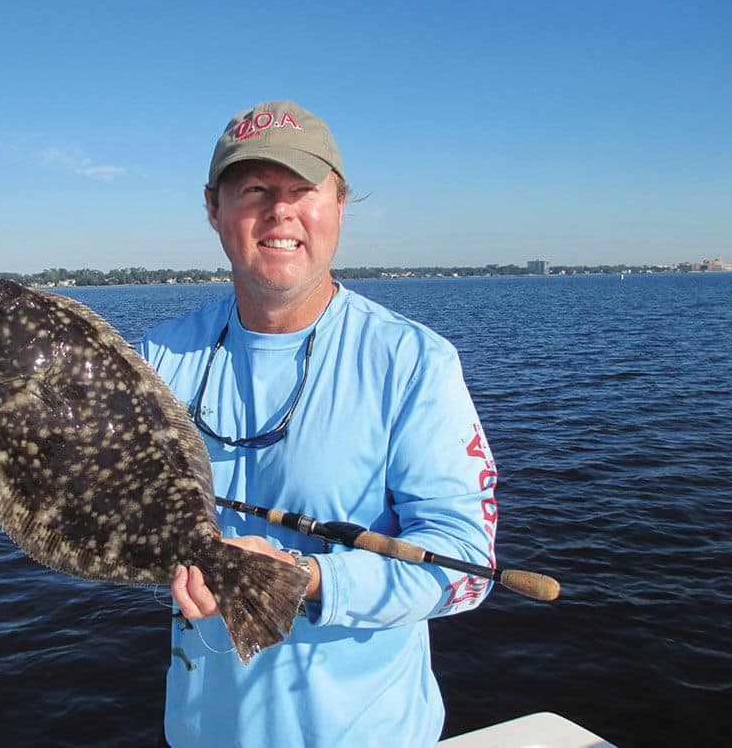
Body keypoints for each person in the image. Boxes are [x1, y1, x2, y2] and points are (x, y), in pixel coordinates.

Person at [141, 101, 498, 747]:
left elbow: (467, 564)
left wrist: (304, 578)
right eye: (254, 190)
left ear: (338, 207)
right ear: (213, 209)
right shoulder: (158, 357)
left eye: (303, 191)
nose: (280, 211)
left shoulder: (413, 360)